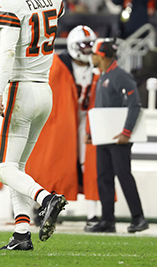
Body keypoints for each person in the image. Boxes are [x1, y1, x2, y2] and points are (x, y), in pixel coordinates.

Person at [0, 0, 67, 251]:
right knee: (15, 168)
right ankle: (21, 235)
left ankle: (45, 199)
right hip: (44, 92)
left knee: (2, 167)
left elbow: (6, 53)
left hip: (18, 90)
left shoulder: (9, 4)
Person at [85, 38, 149, 233]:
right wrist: (92, 132)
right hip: (105, 136)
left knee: (123, 175)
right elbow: (102, 109)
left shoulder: (120, 76)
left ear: (101, 55)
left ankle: (138, 218)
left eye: (93, 53)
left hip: (119, 138)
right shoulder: (105, 76)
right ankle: (107, 220)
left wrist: (126, 132)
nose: (91, 57)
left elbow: (135, 104)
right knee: (103, 177)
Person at [64, 25, 100, 231]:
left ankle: (92, 214)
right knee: (56, 163)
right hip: (65, 119)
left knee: (89, 165)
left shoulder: (96, 66)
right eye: (84, 46)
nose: (88, 50)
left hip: (87, 119)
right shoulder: (61, 65)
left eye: (90, 46)